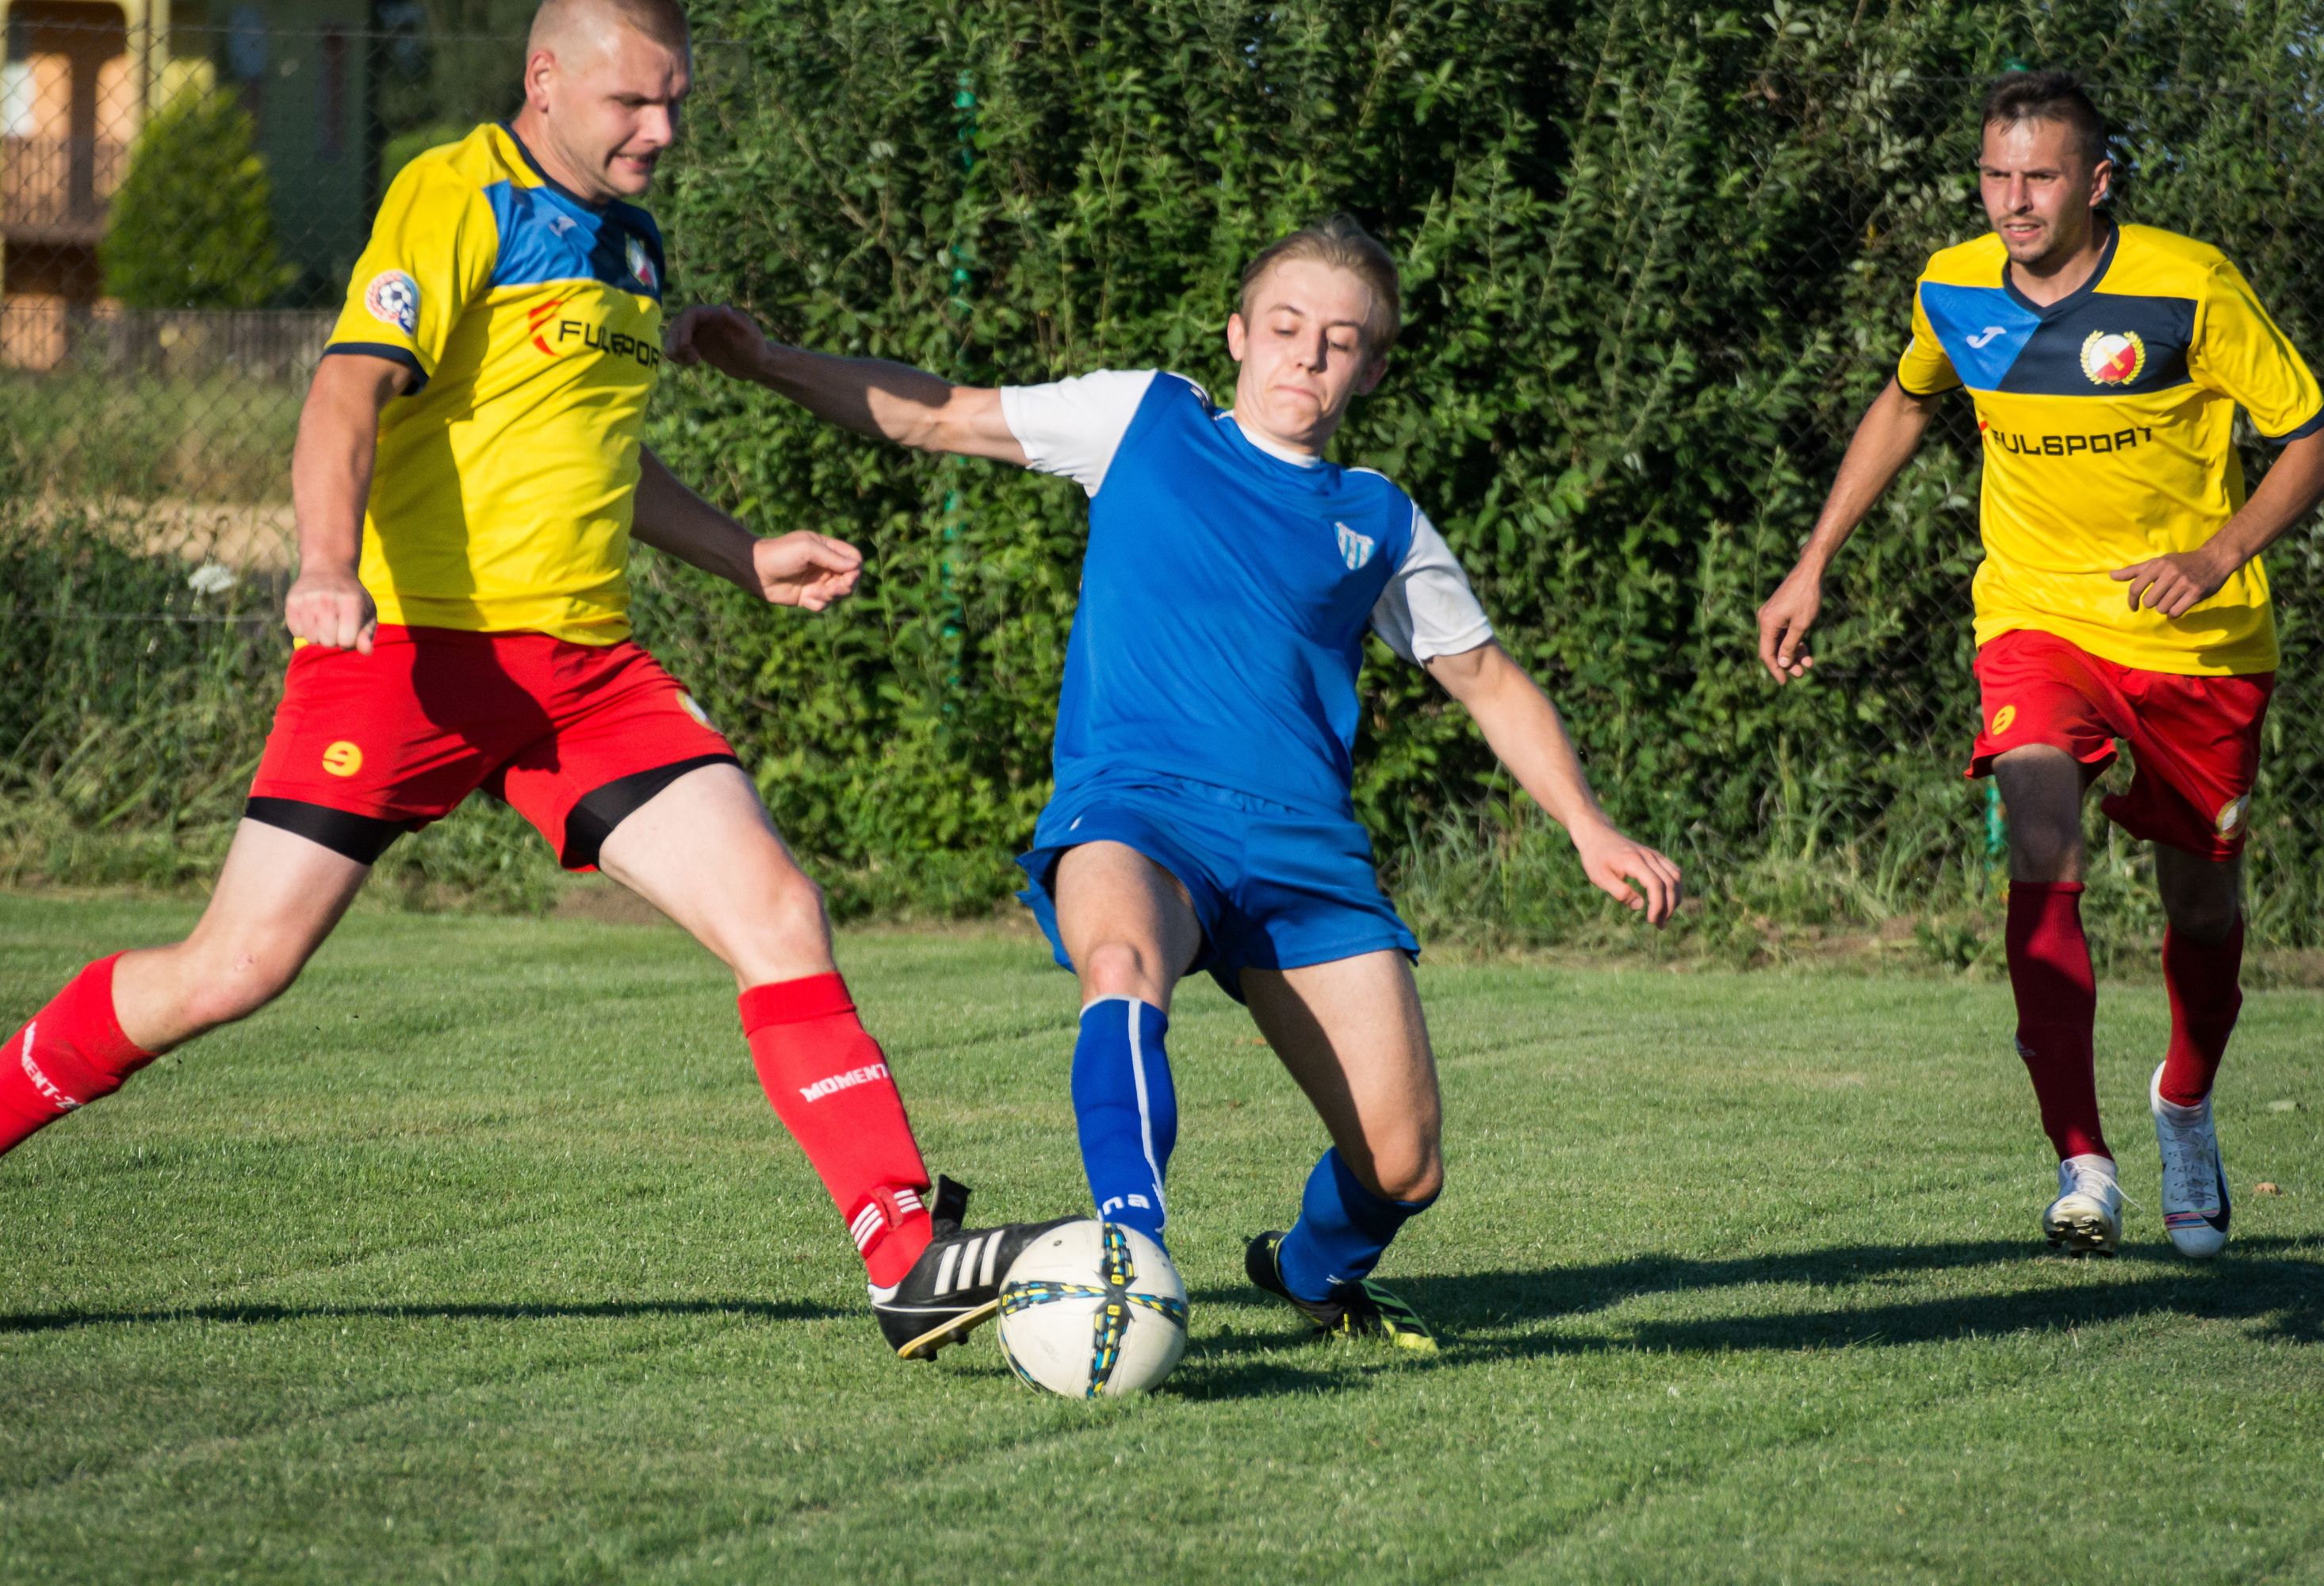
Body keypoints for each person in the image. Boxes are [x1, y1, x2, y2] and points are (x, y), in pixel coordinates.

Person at [0, 0, 1062, 1360]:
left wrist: (744, 555)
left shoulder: (631, 242)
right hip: (406, 656)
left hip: (584, 675)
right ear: (545, 80)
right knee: (234, 968)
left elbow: (593, 453)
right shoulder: (455, 197)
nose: (661, 131)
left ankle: (907, 1257)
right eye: (634, 104)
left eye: (676, 102)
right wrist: (328, 561)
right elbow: (344, 396)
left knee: (779, 910)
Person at [668, 213, 1683, 1349]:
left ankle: (1307, 1271)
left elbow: (1489, 681)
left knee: (1404, 1165)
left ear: (1373, 366)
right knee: (1120, 963)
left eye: (1341, 340)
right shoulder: (1144, 420)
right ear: (1241, 335)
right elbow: (941, 412)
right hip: (1138, 810)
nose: (1308, 354)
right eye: (1287, 326)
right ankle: (1127, 1250)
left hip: (1305, 851)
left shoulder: (1378, 520)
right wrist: (767, 363)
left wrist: (1587, 826)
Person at [1756, 71, 2324, 1258]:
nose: (2014, 201)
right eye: (1996, 176)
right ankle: (2083, 1162)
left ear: (2097, 182)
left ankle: (2182, 1103)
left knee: (2203, 899)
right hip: (2036, 613)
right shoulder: (1953, 287)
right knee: (2040, 826)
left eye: (2041, 176)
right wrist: (1813, 560)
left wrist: (2220, 552)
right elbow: (1908, 404)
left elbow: (2309, 433)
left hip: (2198, 641)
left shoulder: (2187, 285)